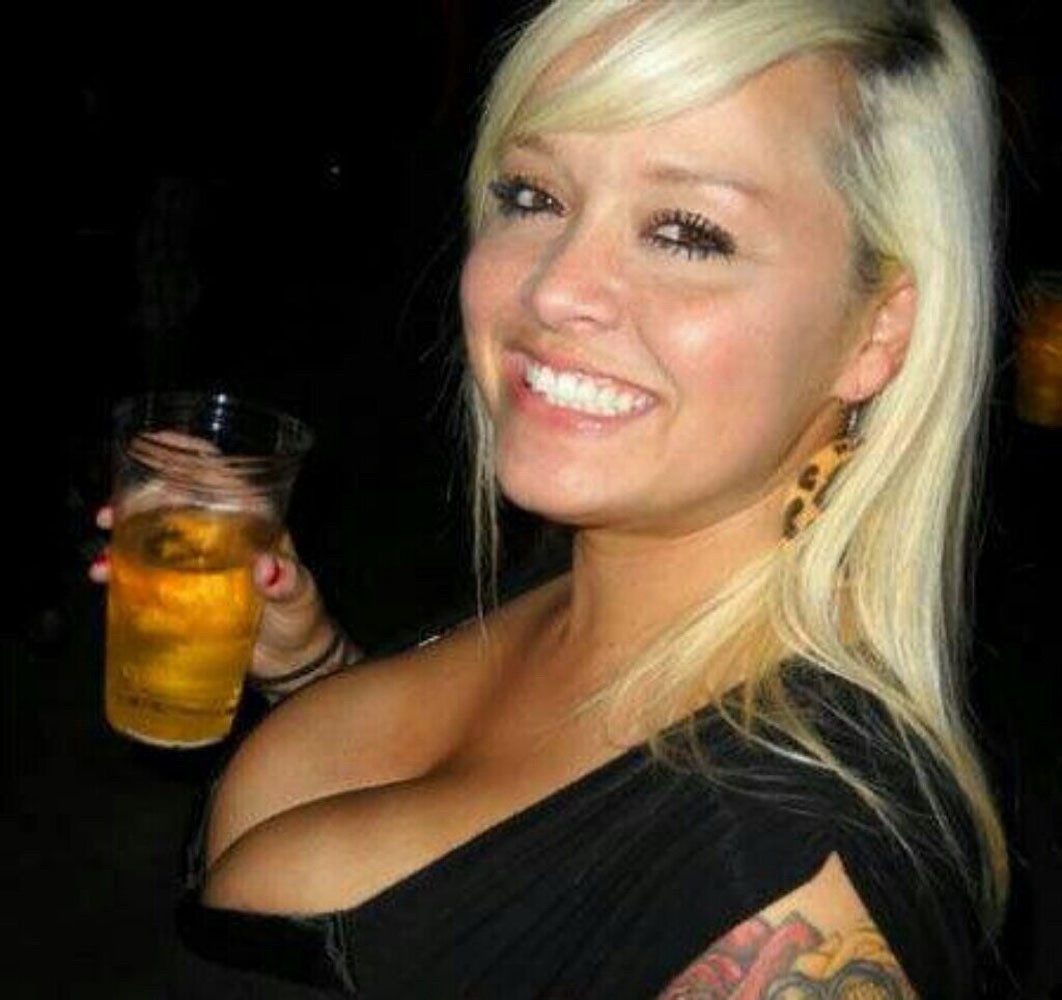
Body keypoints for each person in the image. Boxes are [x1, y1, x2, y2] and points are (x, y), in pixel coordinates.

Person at [93, 0, 1010, 995]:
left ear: (876, 332)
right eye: (534, 195)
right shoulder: (580, 577)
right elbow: (499, 849)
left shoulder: (803, 890)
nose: (553, 288)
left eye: (687, 232)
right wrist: (314, 668)